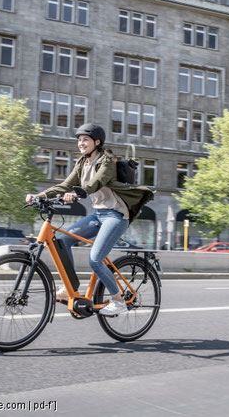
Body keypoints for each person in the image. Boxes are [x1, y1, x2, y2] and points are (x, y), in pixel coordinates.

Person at [25, 124, 154, 316]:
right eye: (79, 139)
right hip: (97, 215)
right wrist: (41, 195)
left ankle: (118, 300)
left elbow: (97, 182)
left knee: (95, 259)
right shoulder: (82, 163)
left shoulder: (107, 159)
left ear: (97, 142)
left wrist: (80, 192)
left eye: (85, 139)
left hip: (116, 215)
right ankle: (69, 288)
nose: (81, 143)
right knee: (63, 241)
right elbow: (66, 184)